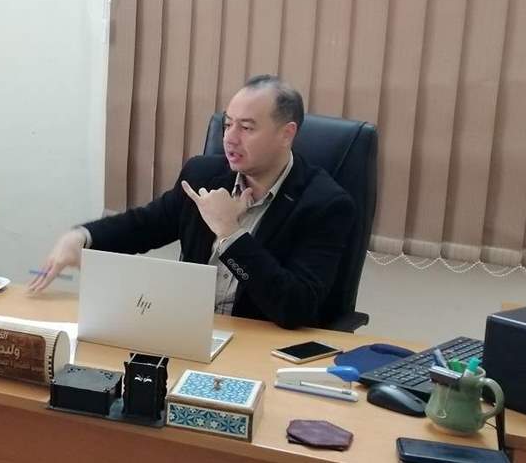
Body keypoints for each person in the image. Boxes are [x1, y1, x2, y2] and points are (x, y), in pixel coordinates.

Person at [29, 75, 355, 329]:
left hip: (261, 347)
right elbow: (146, 225)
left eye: (246, 128)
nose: (230, 138)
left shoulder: (325, 205)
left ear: (286, 134)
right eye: (228, 124)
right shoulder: (203, 175)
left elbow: (296, 307)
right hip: (187, 332)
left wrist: (230, 233)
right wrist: (82, 238)